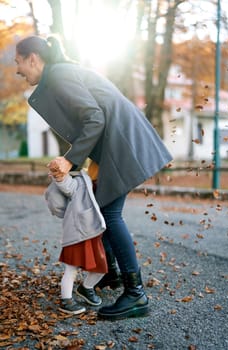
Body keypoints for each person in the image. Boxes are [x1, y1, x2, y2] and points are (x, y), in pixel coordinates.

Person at [15, 35, 173, 320]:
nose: (17, 70)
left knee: (110, 214)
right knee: (101, 209)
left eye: (19, 63)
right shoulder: (60, 74)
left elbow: (94, 118)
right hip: (115, 143)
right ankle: (110, 273)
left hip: (120, 143)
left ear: (32, 59)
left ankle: (135, 294)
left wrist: (70, 159)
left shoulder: (60, 76)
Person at [45, 165, 108, 315]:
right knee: (71, 269)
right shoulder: (72, 181)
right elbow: (65, 184)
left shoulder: (82, 176)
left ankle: (86, 288)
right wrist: (59, 175)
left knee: (101, 267)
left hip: (91, 231)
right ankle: (66, 300)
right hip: (77, 232)